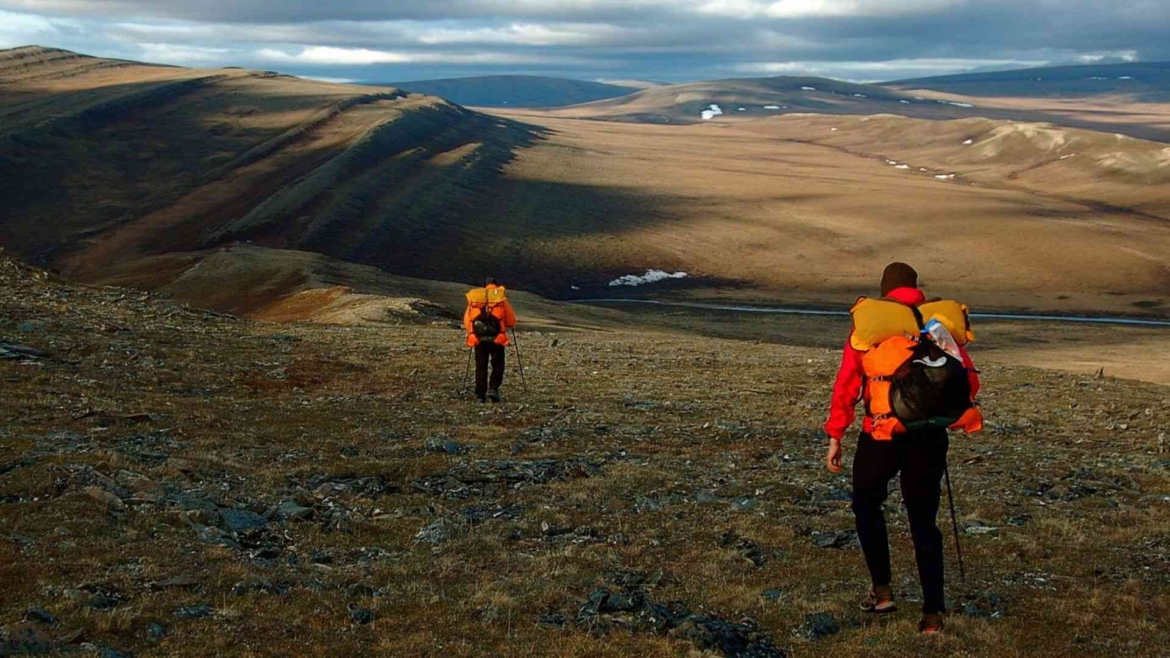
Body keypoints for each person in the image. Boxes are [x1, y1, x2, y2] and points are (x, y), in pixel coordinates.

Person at [824, 262, 981, 635]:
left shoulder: (871, 326)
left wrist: (836, 434)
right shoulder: (939, 325)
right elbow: (968, 382)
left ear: (884, 290)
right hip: (929, 435)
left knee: (866, 502)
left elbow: (848, 383)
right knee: (923, 521)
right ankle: (932, 615)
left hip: (880, 433)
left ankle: (882, 592)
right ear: (916, 289)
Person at [463, 278, 517, 403]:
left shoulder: (476, 299)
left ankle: (480, 394)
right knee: (497, 364)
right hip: (497, 338)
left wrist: (473, 332)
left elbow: (467, 320)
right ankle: (493, 389)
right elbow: (511, 321)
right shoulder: (500, 300)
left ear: (484, 286)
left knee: (480, 365)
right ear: (496, 285)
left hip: (479, 339)